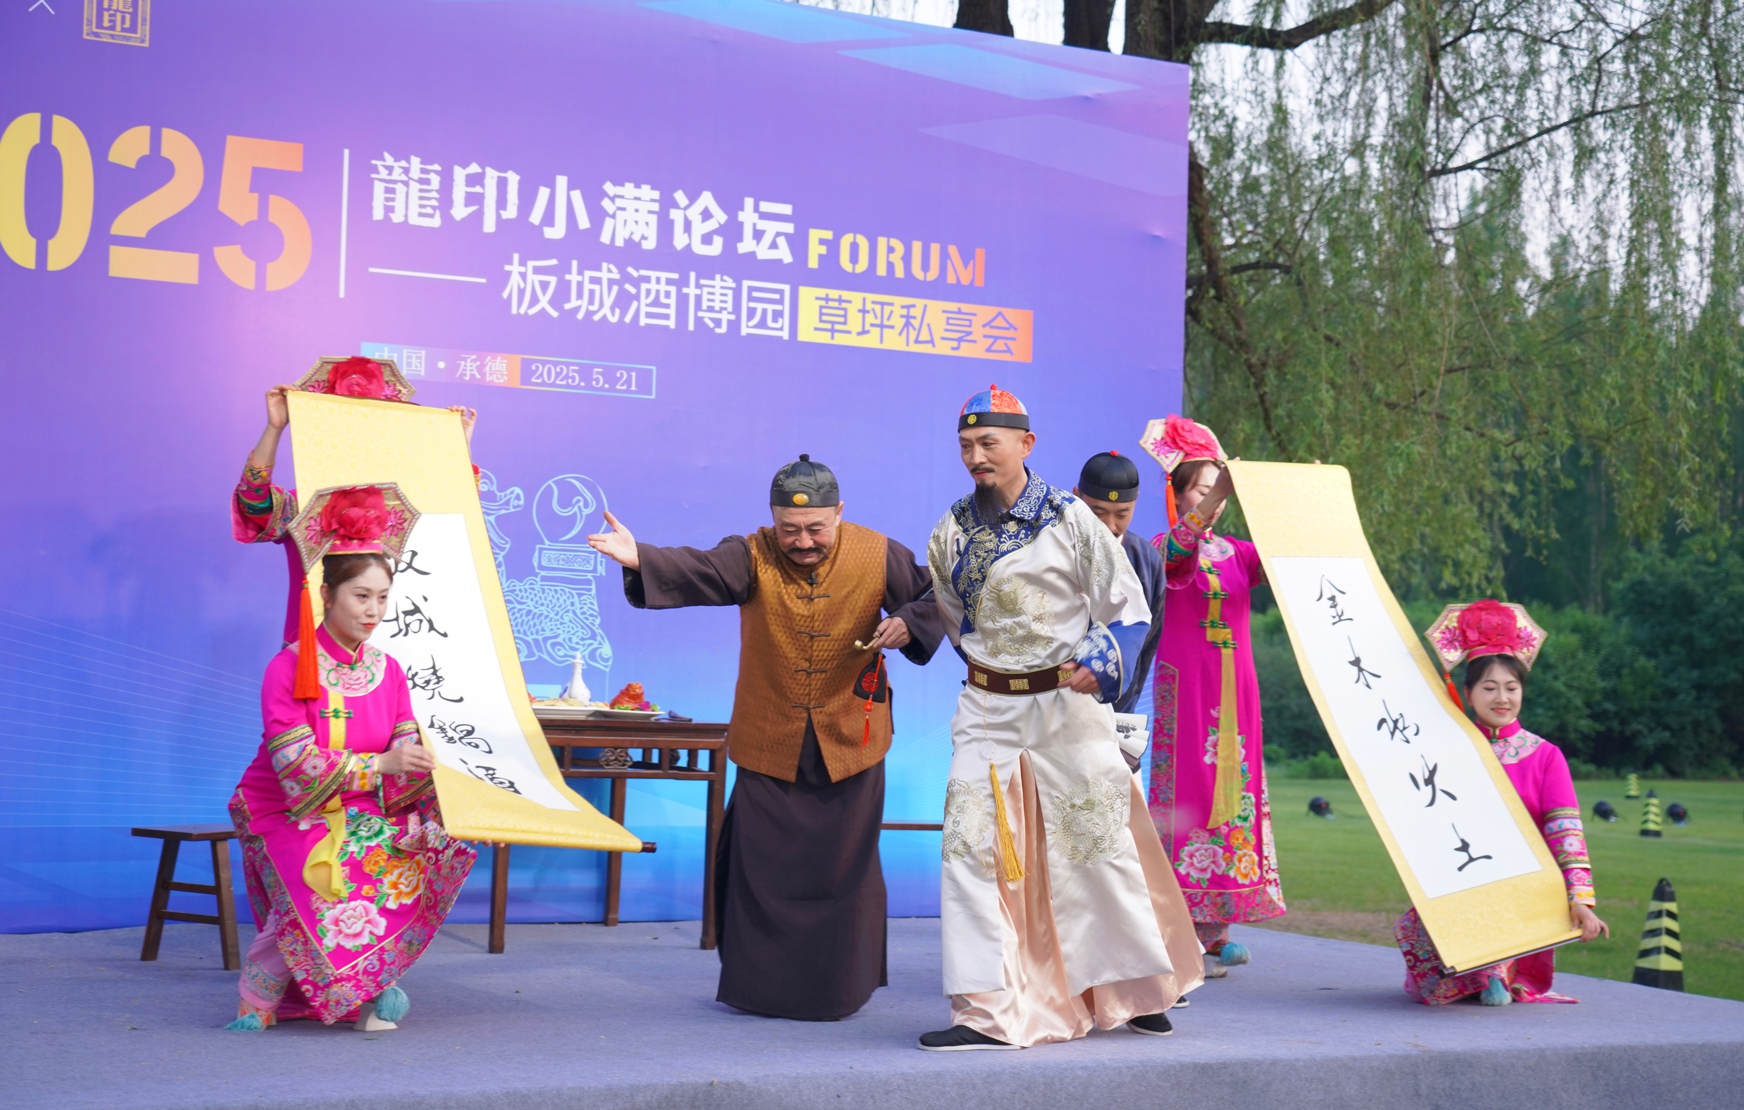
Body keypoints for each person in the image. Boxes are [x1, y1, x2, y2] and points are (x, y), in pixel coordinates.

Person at [585, 455, 944, 1021]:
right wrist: (641, 557)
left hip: (851, 738)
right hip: (769, 737)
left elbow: (937, 595)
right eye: (789, 529)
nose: (801, 542)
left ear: (839, 513)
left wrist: (908, 621)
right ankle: (763, 991)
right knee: (761, 871)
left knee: (843, 870)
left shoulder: (878, 553)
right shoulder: (752, 553)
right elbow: (701, 568)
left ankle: (836, 991)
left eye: (815, 528)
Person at [919, 386, 1201, 1051]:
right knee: (969, 848)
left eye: (989, 443)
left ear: (1026, 444)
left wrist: (1102, 661)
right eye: (966, 445)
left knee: (1096, 845)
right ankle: (986, 1011)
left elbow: (1127, 608)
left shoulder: (1071, 519)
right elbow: (957, 621)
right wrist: (999, 669)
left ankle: (1134, 992)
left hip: (1067, 705)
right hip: (987, 707)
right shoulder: (950, 530)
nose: (977, 456)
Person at [226, 484, 476, 1031]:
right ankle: (261, 995)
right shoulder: (289, 666)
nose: (374, 611)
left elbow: (405, 750)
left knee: (418, 848)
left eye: (383, 597)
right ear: (327, 594)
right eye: (362, 596)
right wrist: (380, 766)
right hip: (282, 806)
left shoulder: (389, 669)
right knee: (329, 875)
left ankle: (367, 981)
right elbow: (295, 765)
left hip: (360, 803)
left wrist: (461, 804)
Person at [1399, 600, 1608, 1005]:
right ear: (1468, 693)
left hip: (1524, 889)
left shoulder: (1545, 756)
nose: (1502, 698)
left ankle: (1498, 970)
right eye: (1489, 687)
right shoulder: (1448, 752)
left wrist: (1580, 899)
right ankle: (1476, 970)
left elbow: (1566, 833)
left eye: (1511, 688)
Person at [1137, 414, 1284, 978]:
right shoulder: (1160, 547)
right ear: (1177, 494)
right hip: (1187, 692)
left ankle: (1215, 928)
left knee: (1232, 799)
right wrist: (1220, 491)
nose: (1212, 499)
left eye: (1216, 490)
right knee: (1189, 796)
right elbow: (1178, 555)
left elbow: (1288, 562)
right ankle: (1177, 927)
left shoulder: (1240, 554)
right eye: (1200, 489)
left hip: (1237, 693)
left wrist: (1296, 502)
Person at [233, 355, 477, 645]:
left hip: (394, 652)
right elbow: (253, 501)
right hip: (312, 653)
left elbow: (455, 516)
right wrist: (275, 428)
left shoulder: (401, 508)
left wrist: (457, 446)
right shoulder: (305, 505)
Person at [1073, 451, 1166, 724]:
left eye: (1122, 514)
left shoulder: (1147, 561)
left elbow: (1144, 648)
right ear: (1076, 497)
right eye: (1097, 513)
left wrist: (1123, 716)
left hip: (1114, 710)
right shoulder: (1054, 548)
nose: (1109, 526)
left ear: (1135, 504)